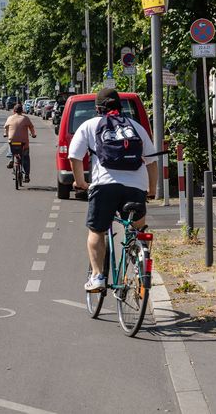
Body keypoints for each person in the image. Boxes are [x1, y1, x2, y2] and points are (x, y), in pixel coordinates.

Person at [68, 88, 158, 291]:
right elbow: (152, 162)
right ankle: (140, 263)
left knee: (97, 231)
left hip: (104, 186)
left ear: (97, 108)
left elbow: (74, 156)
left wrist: (81, 183)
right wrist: (151, 190)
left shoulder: (89, 125)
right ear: (120, 106)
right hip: (136, 187)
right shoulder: (136, 127)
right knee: (137, 229)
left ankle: (98, 276)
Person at [3, 103, 37, 182]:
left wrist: (5, 134)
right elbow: (31, 127)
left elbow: (5, 127)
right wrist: (33, 134)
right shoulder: (25, 118)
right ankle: (27, 175)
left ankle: (11, 157)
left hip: (13, 141)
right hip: (24, 143)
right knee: (26, 157)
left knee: (10, 143)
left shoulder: (10, 118)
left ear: (14, 111)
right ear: (22, 111)